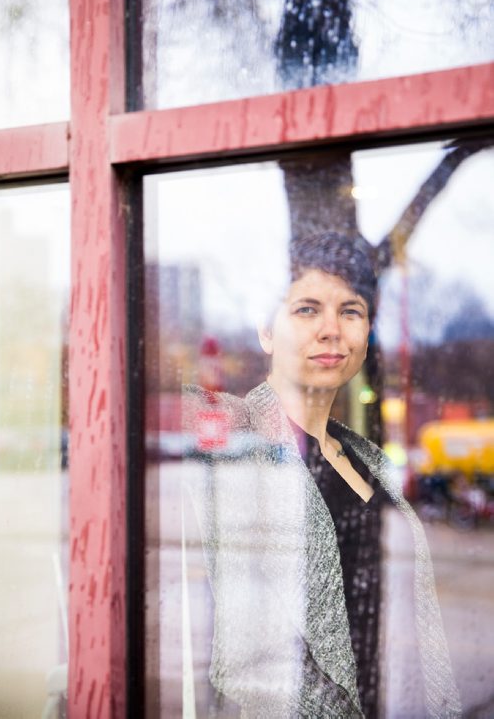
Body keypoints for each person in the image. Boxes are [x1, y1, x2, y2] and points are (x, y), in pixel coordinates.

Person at [184, 232, 461, 718]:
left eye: (350, 311)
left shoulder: (366, 459)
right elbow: (245, 658)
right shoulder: (241, 455)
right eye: (307, 309)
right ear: (266, 332)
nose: (332, 329)